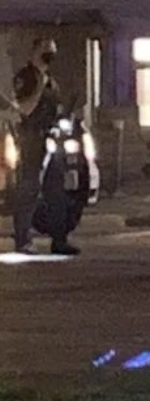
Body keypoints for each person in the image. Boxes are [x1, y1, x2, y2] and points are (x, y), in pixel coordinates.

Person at [11, 39, 79, 256]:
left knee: (57, 192)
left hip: (51, 140)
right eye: (46, 50)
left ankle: (59, 240)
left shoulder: (51, 81)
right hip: (32, 140)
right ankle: (23, 241)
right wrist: (40, 86)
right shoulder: (27, 77)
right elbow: (25, 109)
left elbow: (56, 110)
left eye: (53, 50)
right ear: (35, 51)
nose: (50, 54)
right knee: (28, 191)